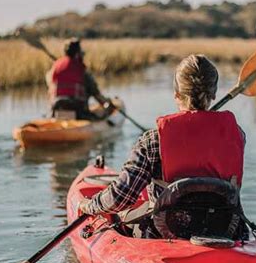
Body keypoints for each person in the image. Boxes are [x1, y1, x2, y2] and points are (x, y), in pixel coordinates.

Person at [79, 54, 245, 238]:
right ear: (213, 94)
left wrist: (90, 205)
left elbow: (121, 198)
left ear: (176, 94)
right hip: (224, 231)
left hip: (165, 234)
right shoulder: (237, 134)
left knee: (121, 220)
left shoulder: (153, 140)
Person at [46, 38, 114, 120]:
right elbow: (96, 94)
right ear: (77, 54)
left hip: (56, 109)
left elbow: (50, 83)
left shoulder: (55, 67)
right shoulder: (82, 71)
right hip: (78, 112)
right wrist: (107, 104)